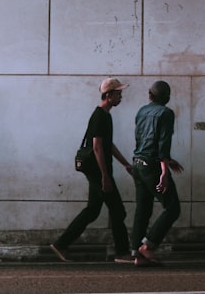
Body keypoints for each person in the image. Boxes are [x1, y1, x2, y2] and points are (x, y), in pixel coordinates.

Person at [50, 78, 134, 263]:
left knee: (92, 210)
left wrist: (125, 164)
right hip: (98, 172)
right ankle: (122, 253)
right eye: (118, 93)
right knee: (118, 211)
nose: (121, 96)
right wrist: (105, 176)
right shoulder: (99, 116)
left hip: (99, 171)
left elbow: (108, 145)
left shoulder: (105, 115)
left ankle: (61, 244)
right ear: (109, 95)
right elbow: (97, 147)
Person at [130, 80, 184, 266]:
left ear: (149, 95)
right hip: (152, 166)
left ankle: (137, 252)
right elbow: (163, 142)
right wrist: (164, 171)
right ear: (167, 98)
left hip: (137, 163)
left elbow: (142, 139)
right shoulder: (166, 113)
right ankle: (148, 246)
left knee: (142, 209)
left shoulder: (141, 111)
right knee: (172, 207)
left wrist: (167, 160)